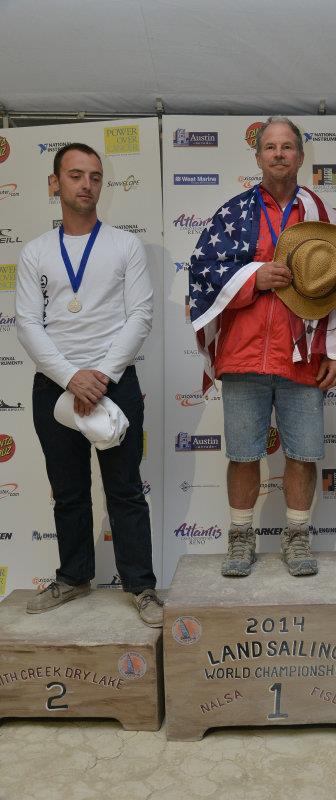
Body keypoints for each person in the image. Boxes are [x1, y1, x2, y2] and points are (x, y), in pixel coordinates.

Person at [189, 116, 336, 578]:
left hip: (303, 356)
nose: (279, 154)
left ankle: (296, 537)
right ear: (257, 157)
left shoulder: (323, 217)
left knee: (304, 452)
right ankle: (240, 538)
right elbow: (202, 271)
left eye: (287, 146)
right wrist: (254, 277)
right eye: (270, 147)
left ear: (301, 157)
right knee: (243, 454)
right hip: (244, 353)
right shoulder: (233, 212)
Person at [16, 143, 163, 626]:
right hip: (54, 385)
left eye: (95, 177)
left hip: (113, 382)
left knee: (124, 490)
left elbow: (140, 315)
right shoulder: (35, 252)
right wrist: (70, 377)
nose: (87, 185)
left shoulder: (124, 245)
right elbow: (27, 323)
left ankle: (141, 586)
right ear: (54, 183)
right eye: (76, 175)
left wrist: (100, 376)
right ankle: (74, 577)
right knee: (69, 491)